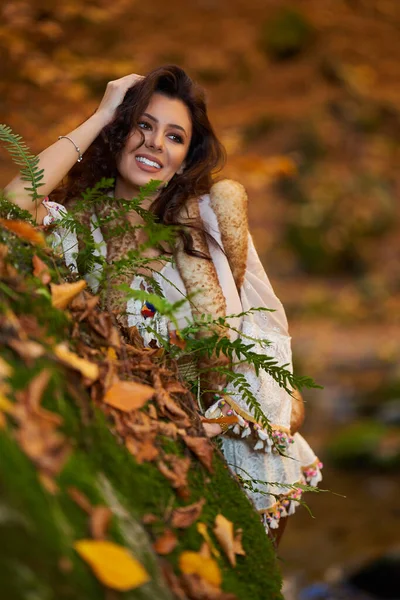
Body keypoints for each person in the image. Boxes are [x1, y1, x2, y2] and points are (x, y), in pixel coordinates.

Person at [5, 65, 322, 545]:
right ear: (119, 134)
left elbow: (261, 330)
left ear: (184, 158)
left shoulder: (205, 226)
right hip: (144, 426)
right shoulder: (77, 231)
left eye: (174, 137)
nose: (155, 143)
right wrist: (100, 115)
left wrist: (254, 407)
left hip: (236, 441)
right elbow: (11, 208)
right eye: (143, 126)